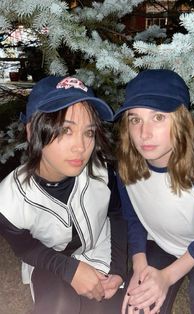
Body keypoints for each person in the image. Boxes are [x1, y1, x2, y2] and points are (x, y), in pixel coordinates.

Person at [0, 76, 127, 314]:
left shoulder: (102, 173)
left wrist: (119, 270)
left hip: (99, 253)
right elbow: (25, 248)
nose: (80, 146)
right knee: (59, 306)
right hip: (49, 261)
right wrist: (70, 270)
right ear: (32, 131)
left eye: (88, 133)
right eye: (66, 130)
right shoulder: (8, 201)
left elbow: (117, 216)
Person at [114, 69, 194, 314]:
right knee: (136, 307)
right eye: (135, 119)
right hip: (161, 244)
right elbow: (133, 217)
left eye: (158, 117)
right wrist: (139, 264)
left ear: (181, 122)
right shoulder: (126, 169)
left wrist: (168, 276)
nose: (144, 133)